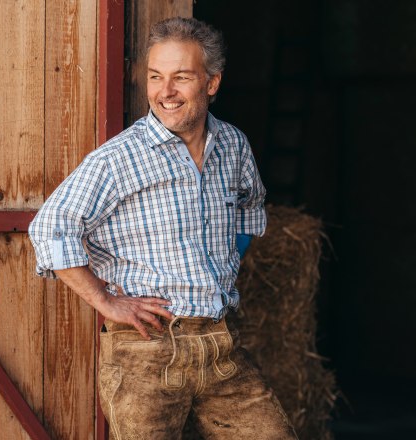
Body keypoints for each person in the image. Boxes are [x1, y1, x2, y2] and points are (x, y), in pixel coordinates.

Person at [29, 17, 298, 440]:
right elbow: (49, 229)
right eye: (156, 77)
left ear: (212, 83)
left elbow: (249, 207)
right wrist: (105, 300)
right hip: (146, 351)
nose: (165, 92)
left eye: (181, 77)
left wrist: (218, 273)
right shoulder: (118, 159)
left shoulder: (232, 146)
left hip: (219, 346)